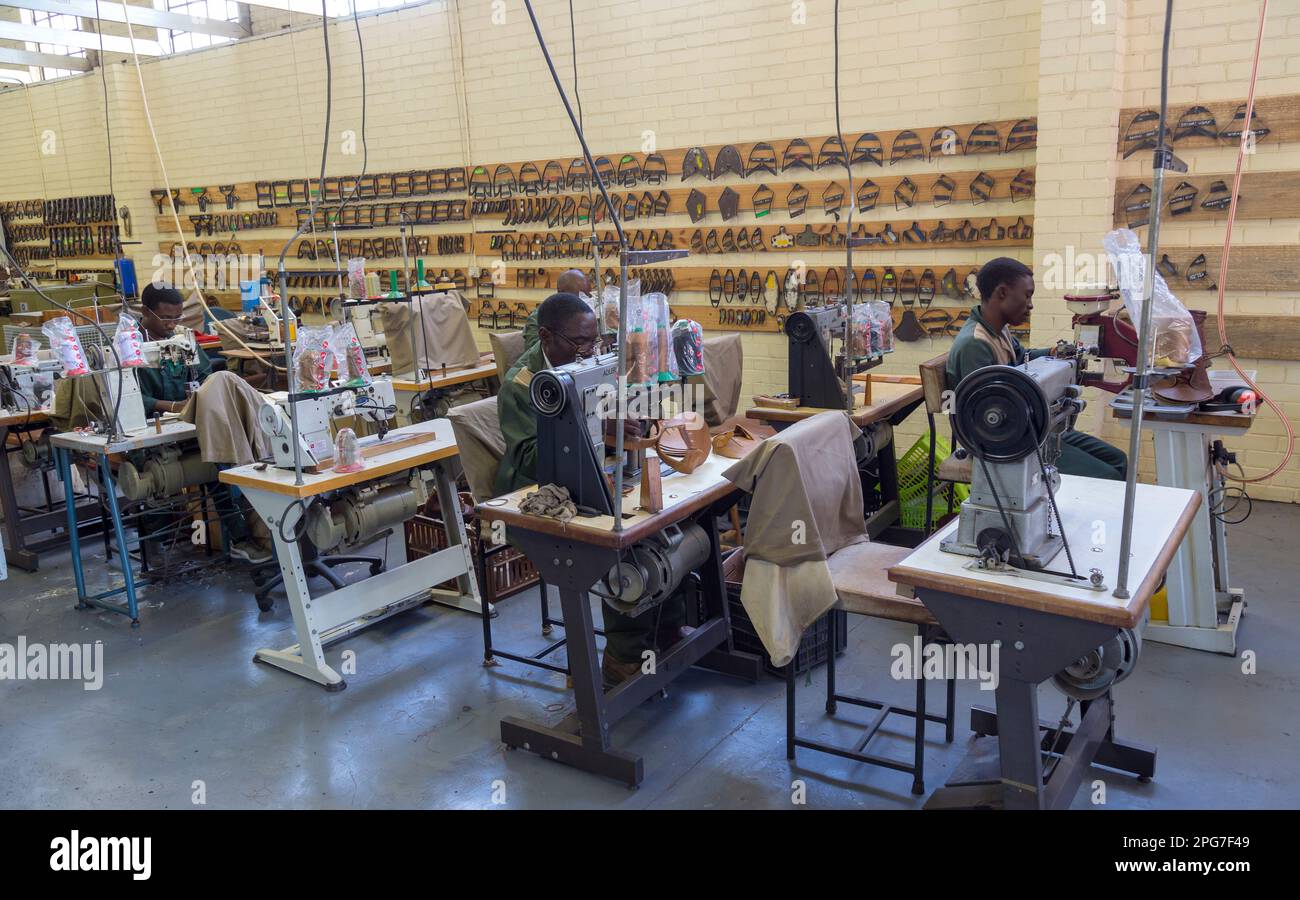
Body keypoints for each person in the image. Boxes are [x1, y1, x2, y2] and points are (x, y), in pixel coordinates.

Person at [496, 291, 677, 686]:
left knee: (670, 526)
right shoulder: (522, 384)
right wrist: (602, 430)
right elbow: (532, 459)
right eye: (578, 342)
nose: (588, 351)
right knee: (622, 545)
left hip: (592, 473)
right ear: (545, 337)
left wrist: (633, 416)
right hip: (536, 497)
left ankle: (665, 633)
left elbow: (612, 412)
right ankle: (623, 657)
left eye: (594, 341)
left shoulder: (588, 363)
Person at [947, 257, 1128, 481]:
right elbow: (987, 414)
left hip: (1030, 429)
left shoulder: (998, 330)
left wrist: (1055, 352)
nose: (1031, 304)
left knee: (1118, 460)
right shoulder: (975, 344)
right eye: (1027, 295)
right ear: (1002, 293)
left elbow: (1022, 357)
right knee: (1107, 476)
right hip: (1006, 442)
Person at [135, 283, 274, 562]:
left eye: (177, 318)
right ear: (145, 312)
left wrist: (196, 401)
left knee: (225, 463)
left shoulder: (182, 340)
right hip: (147, 432)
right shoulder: (129, 347)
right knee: (150, 479)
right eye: (166, 318)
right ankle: (156, 545)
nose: (172, 324)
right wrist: (175, 406)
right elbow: (134, 398)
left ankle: (244, 539)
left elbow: (205, 376)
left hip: (192, 426)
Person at [521, 269, 591, 349]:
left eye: (588, 297)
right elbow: (534, 352)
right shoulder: (537, 317)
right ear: (561, 293)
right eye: (581, 297)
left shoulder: (586, 315)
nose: (585, 302)